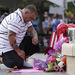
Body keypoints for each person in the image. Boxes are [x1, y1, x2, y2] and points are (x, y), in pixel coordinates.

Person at [0, 5, 39, 69]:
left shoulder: (26, 18)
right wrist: (18, 51)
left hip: (16, 42)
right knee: (16, 64)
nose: (31, 20)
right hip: (6, 45)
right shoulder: (15, 19)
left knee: (34, 44)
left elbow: (31, 29)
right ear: (26, 12)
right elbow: (11, 37)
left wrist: (35, 36)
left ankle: (23, 59)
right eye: (31, 18)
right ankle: (1, 58)